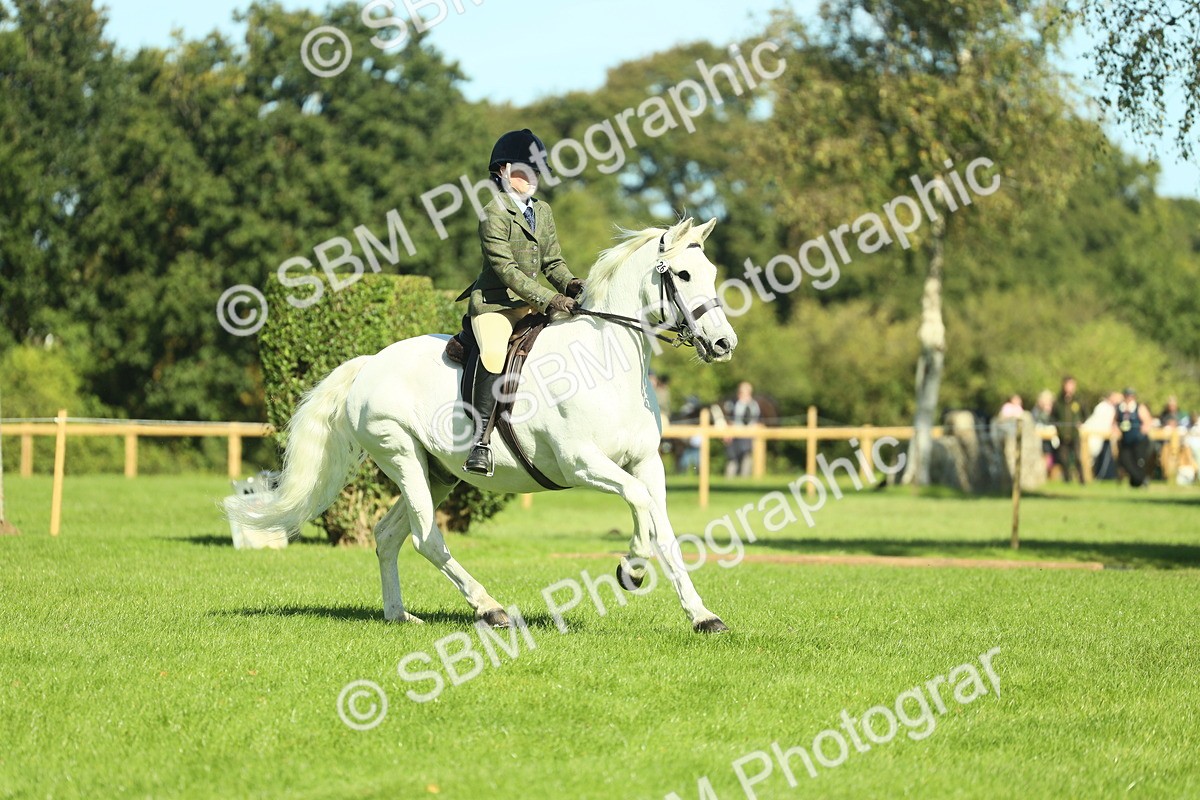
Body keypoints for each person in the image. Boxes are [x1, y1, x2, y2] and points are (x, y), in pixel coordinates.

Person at [454, 129, 585, 476]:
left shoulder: (542, 211)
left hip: (532, 304)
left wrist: (571, 284)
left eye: (536, 171)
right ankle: (479, 441)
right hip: (495, 304)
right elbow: (506, 270)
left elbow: (552, 263)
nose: (531, 178)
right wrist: (549, 298)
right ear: (502, 171)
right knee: (495, 353)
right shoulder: (493, 213)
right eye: (523, 171)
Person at [1113, 387, 1154, 487]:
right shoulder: (1120, 408)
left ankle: (1139, 481)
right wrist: (1116, 431)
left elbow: (1147, 422)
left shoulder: (1139, 407)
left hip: (1139, 441)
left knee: (1139, 462)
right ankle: (1139, 480)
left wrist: (1140, 433)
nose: (1128, 398)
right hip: (1126, 442)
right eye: (1127, 396)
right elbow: (1114, 422)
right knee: (1125, 461)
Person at [1052, 375, 1086, 483]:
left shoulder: (1079, 400)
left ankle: (1082, 480)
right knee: (1063, 458)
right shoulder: (1058, 401)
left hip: (1074, 434)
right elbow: (1053, 416)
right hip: (1062, 434)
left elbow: (1085, 414)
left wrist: (1081, 422)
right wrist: (1057, 426)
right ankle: (1067, 479)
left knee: (1077, 458)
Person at [722, 381, 761, 478]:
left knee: (747, 458)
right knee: (732, 459)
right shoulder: (733, 403)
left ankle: (744, 481)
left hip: (749, 436)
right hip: (735, 435)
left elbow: (759, 420)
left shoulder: (754, 405)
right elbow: (728, 420)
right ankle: (729, 481)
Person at [1032, 389, 1058, 474]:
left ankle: (1049, 471)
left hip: (1050, 438)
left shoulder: (1052, 412)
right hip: (1039, 439)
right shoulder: (1036, 412)